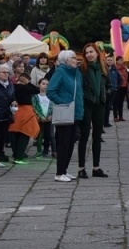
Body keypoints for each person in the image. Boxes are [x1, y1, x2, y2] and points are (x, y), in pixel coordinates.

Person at [76, 43, 111, 178]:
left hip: (100, 105)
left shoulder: (103, 68)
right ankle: (81, 168)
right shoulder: (82, 69)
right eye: (87, 53)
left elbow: (109, 85)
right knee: (84, 136)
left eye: (91, 52)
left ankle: (96, 167)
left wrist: (105, 94)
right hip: (86, 104)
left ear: (97, 53)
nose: (89, 55)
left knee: (97, 136)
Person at [47, 49, 82, 182]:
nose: (76, 60)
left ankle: (64, 171)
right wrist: (64, 103)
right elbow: (51, 91)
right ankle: (59, 172)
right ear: (66, 60)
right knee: (63, 143)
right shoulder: (60, 72)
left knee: (71, 142)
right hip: (65, 112)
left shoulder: (76, 73)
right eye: (73, 57)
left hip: (75, 113)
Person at [10, 70, 41, 163]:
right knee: (24, 134)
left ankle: (16, 153)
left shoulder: (13, 86)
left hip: (15, 112)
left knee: (15, 135)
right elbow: (37, 90)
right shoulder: (25, 88)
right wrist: (28, 83)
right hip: (26, 113)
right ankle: (19, 156)